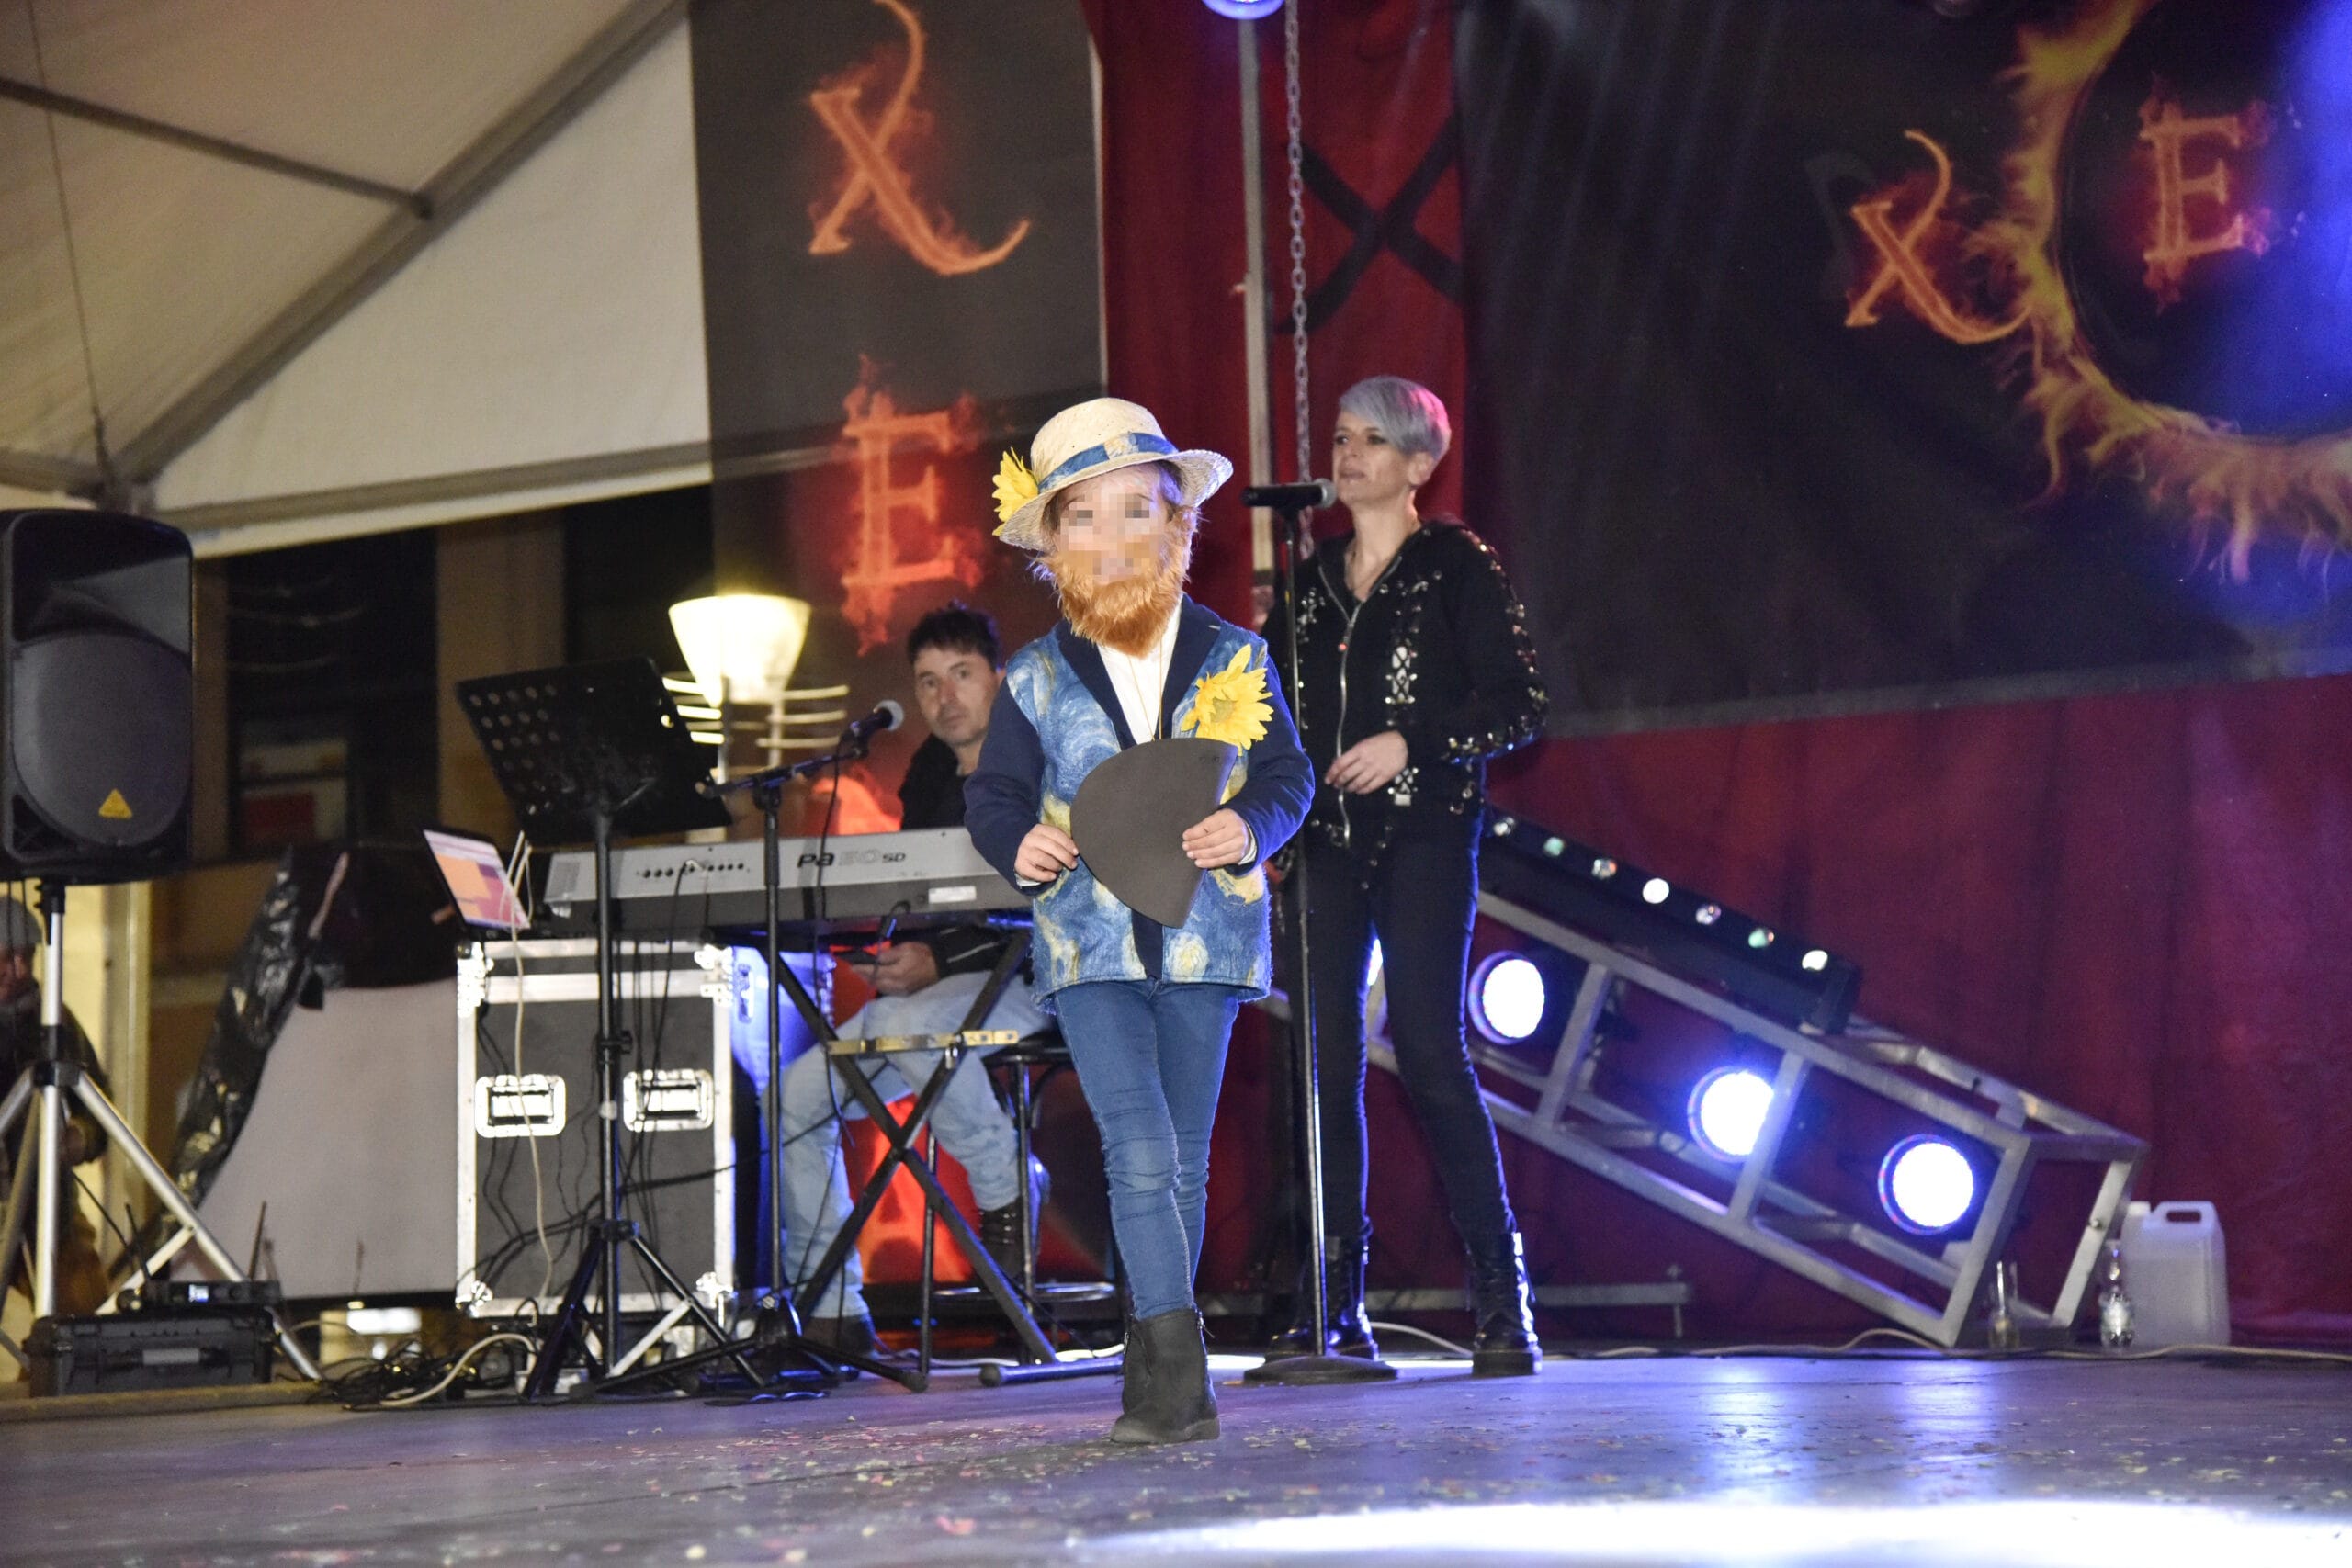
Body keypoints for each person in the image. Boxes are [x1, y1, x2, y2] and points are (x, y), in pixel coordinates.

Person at [966, 398, 1313, 1444]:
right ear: (1050, 543)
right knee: (1139, 1146)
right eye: (1083, 515)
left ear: (1177, 523)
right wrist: (1018, 842)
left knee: (1184, 1159)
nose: (1112, 535)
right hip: (1088, 943)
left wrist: (1250, 825)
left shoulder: (1235, 655)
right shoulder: (1032, 676)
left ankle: (1152, 1360)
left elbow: (1289, 776)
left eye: (1137, 509)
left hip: (1207, 938)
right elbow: (994, 796)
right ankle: (1178, 1368)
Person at [1263, 376, 1549, 1377]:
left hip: (1425, 832)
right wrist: (1267, 827)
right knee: (1322, 1064)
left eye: (1372, 441)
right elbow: (1268, 721)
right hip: (1324, 845)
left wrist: (1409, 741)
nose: (1348, 457)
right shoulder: (1307, 585)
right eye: (1342, 438)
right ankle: (1331, 1302)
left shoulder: (1455, 565)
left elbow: (1519, 702)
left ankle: (1501, 1298)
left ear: (1419, 464)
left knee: (1428, 1048)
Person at [775, 604, 1050, 1359]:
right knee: (795, 1095)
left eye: (961, 674)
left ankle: (1007, 1183)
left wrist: (938, 961)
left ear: (999, 677)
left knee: (910, 1027)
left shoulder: (1044, 761)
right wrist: (884, 950)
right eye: (927, 682)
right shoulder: (928, 769)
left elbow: (1054, 905)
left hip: (1036, 980)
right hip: (934, 999)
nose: (944, 696)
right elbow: (918, 896)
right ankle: (830, 1310)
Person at [0, 894, 113, 1319]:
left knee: (82, 1318)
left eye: (25, 956)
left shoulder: (55, 1023)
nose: (19, 969)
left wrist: (81, 1137)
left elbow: (101, 1109)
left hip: (49, 1213)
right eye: (6, 957)